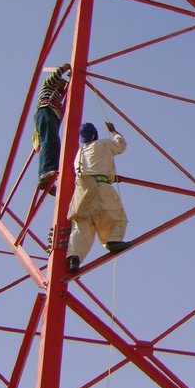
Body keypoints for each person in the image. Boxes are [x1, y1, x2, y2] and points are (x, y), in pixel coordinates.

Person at [66, 122, 130, 273]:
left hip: (81, 191)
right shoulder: (103, 145)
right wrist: (115, 132)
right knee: (116, 216)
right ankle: (113, 240)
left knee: (82, 226)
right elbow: (120, 145)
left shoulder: (79, 154)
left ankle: (74, 257)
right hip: (99, 185)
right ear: (95, 135)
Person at [34, 63, 70, 193]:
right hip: (45, 111)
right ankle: (45, 173)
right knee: (50, 141)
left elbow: (67, 88)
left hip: (49, 113)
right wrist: (66, 67)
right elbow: (56, 74)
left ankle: (47, 177)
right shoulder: (47, 85)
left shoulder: (57, 95)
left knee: (53, 142)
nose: (62, 86)